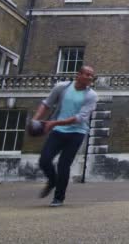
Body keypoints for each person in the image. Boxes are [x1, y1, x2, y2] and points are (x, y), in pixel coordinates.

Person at [33, 66, 98, 207]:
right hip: (58, 131)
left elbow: (80, 118)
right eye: (87, 74)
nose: (90, 78)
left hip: (77, 132)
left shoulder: (91, 95)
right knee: (44, 160)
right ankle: (52, 180)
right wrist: (36, 120)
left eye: (91, 76)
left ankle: (59, 197)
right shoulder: (62, 87)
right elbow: (46, 104)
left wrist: (53, 123)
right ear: (78, 75)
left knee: (64, 164)